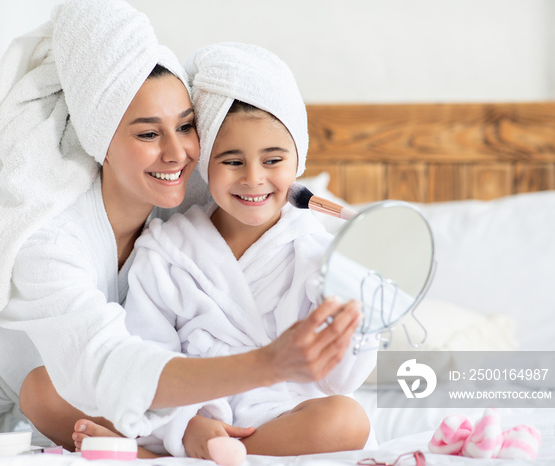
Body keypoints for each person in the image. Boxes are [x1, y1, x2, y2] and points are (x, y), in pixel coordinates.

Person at [0, 0, 360, 452]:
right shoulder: (48, 238)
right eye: (148, 133)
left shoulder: (182, 196)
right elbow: (102, 361)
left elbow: (283, 198)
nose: (177, 151)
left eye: (187, 125)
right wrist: (270, 364)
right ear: (102, 142)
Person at [23, 42, 376, 458]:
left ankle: (186, 456)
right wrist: (186, 425)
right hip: (175, 413)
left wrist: (363, 302)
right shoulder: (168, 246)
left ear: (297, 160)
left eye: (272, 159)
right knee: (42, 389)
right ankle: (190, 448)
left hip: (272, 416)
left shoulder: (318, 253)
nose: (253, 178)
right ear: (206, 162)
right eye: (231, 161)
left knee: (348, 418)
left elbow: (339, 381)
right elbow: (146, 349)